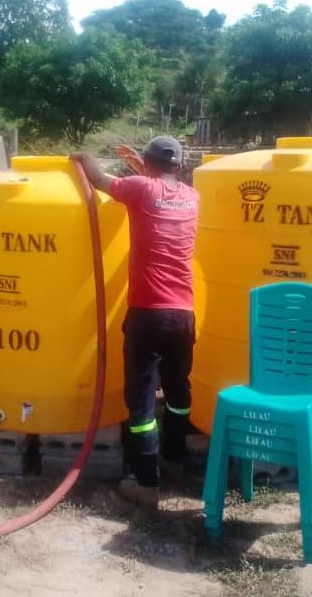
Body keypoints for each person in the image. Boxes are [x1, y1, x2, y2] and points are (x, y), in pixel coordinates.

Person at [71, 136, 199, 509]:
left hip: (149, 314)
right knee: (177, 393)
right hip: (184, 315)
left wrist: (83, 156)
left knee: (141, 404)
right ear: (179, 165)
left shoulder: (140, 189)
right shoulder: (192, 197)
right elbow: (157, 190)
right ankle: (174, 458)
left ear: (147, 164)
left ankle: (146, 482)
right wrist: (139, 165)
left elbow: (98, 180)